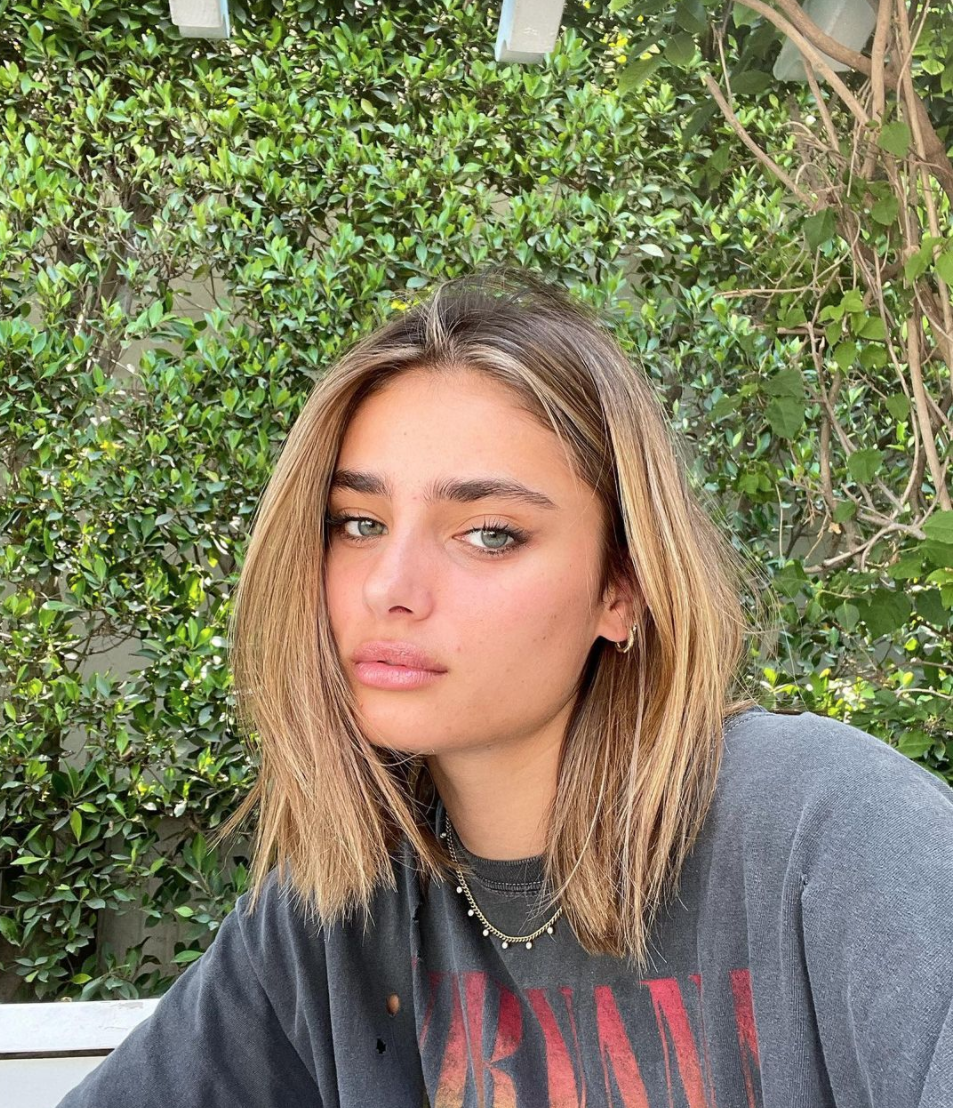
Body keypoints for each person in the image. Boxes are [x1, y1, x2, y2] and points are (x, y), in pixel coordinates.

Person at [56, 267, 953, 1107]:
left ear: (620, 588)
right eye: (357, 523)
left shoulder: (830, 833)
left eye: (489, 533)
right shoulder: (333, 914)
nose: (389, 587)